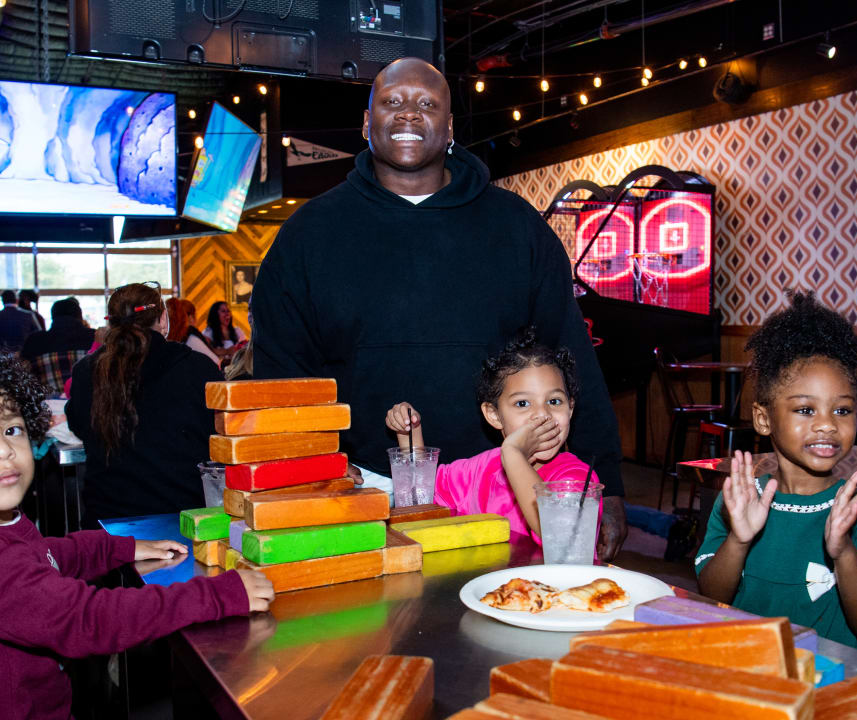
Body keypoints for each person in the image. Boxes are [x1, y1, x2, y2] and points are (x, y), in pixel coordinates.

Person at [250, 57, 627, 558]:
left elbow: (569, 354)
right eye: (392, 102)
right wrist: (304, 478)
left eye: (427, 104)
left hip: (504, 495)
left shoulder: (517, 228)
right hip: (364, 494)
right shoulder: (308, 236)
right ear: (366, 124)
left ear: (450, 128)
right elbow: (282, 379)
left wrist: (609, 481)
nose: (408, 114)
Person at [0, 346, 272, 718]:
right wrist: (221, 594)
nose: (2, 449)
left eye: (11, 429)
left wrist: (119, 548)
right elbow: (90, 620)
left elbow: (48, 555)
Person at [695, 290, 857, 658]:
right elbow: (712, 597)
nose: (826, 425)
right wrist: (739, 540)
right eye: (805, 410)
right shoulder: (741, 502)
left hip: (841, 685)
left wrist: (843, 550)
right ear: (763, 419)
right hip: (761, 674)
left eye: (842, 410)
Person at [386, 328, 598, 542]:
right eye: (522, 403)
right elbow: (422, 504)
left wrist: (513, 455)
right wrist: (409, 434)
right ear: (494, 415)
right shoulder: (481, 470)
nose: (542, 415)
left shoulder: (575, 479)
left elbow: (561, 540)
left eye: (554, 401)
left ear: (570, 408)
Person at [65, 283, 226, 526]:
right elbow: (220, 433)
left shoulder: (88, 371)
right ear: (163, 319)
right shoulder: (197, 368)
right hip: (184, 520)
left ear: (111, 322)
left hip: (106, 525)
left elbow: (78, 425)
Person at [20, 297, 96, 396]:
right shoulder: (94, 337)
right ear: (80, 316)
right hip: (90, 403)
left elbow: (23, 374)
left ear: (53, 316)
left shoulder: (35, 341)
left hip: (49, 404)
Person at [204, 300, 246, 368]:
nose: (227, 314)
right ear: (215, 314)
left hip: (236, 367)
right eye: (223, 311)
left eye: (228, 311)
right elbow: (207, 351)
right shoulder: (208, 332)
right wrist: (227, 351)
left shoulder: (237, 331)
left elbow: (244, 350)